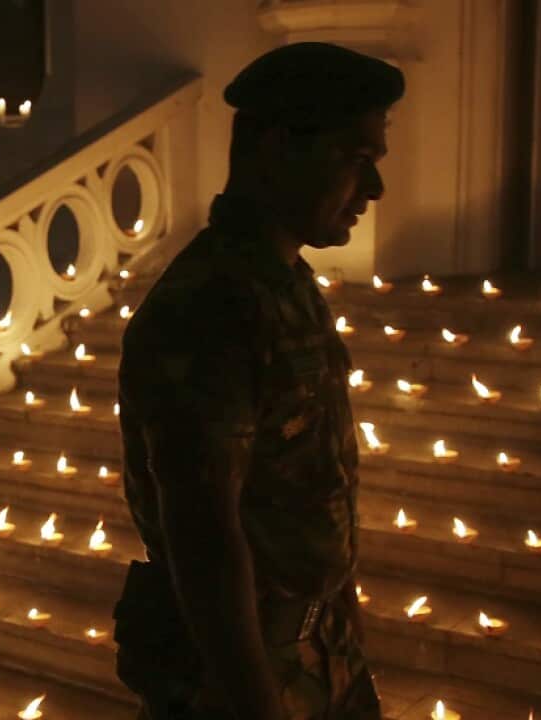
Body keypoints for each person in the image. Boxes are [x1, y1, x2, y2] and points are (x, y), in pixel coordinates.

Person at [113, 42, 403, 720]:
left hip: (316, 652)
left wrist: (343, 630)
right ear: (278, 146)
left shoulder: (287, 287)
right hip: (238, 677)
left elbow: (316, 479)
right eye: (354, 159)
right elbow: (204, 530)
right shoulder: (210, 305)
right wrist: (253, 702)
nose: (375, 189)